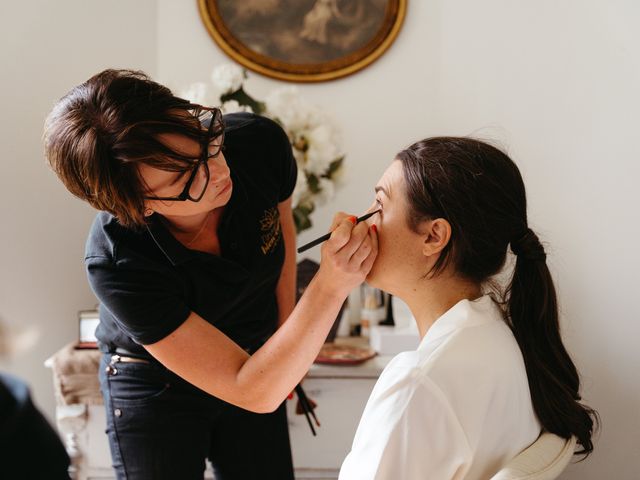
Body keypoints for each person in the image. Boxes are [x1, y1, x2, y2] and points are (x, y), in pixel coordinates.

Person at [43, 69, 377, 480]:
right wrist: (330, 286)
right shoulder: (118, 261)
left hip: (253, 347)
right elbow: (248, 387)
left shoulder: (257, 145)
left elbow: (280, 231)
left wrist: (286, 339)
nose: (218, 173)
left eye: (205, 142)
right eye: (185, 178)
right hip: (153, 381)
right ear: (138, 206)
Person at [339, 137, 598, 479]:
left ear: (434, 236)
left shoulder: (419, 383)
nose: (361, 223)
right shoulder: (502, 337)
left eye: (379, 206)